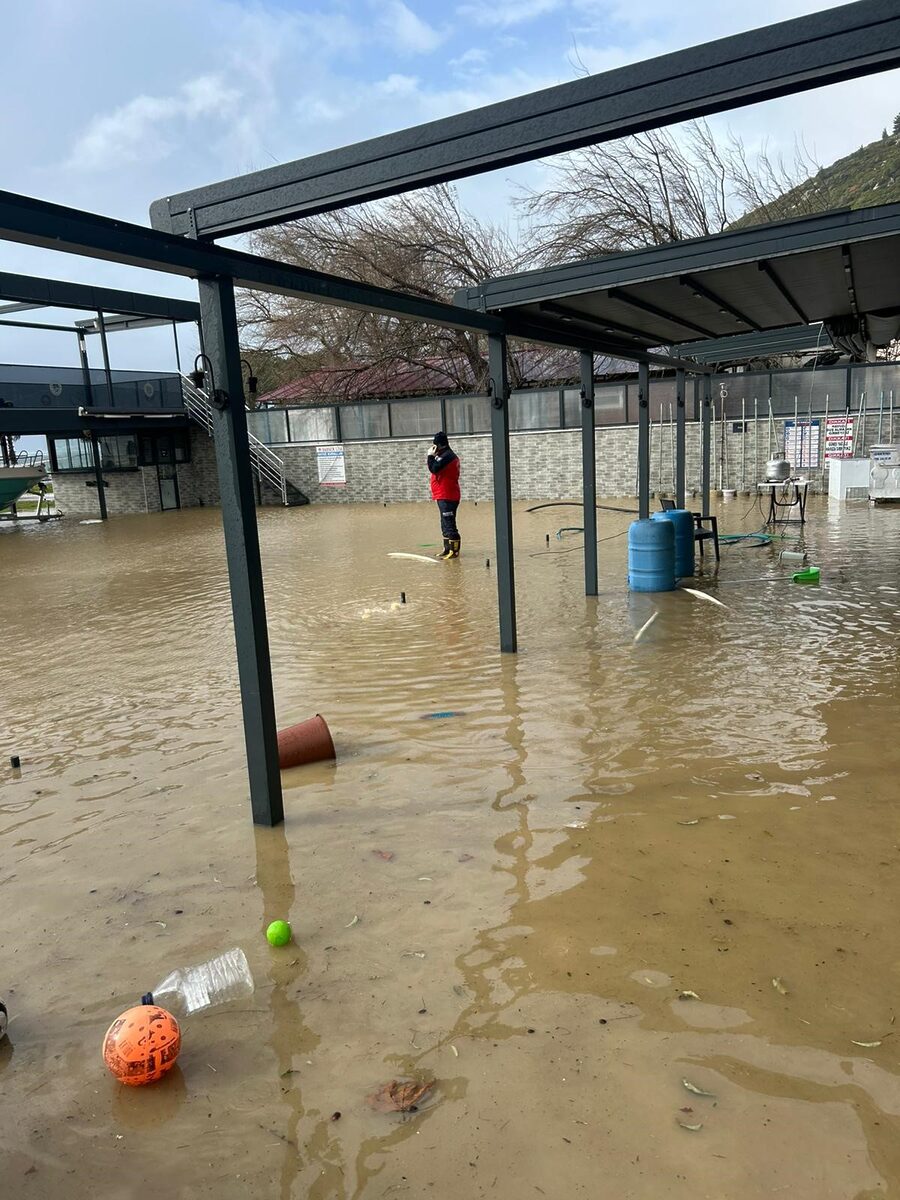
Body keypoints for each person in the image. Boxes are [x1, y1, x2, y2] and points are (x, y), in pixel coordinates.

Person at [427, 431, 461, 559]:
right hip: (442, 494)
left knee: (449, 523)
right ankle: (447, 549)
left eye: (435, 445)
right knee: (444, 523)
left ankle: (454, 552)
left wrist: (430, 456)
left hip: (448, 495)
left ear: (440, 445)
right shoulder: (443, 455)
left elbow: (434, 468)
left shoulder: (448, 456)